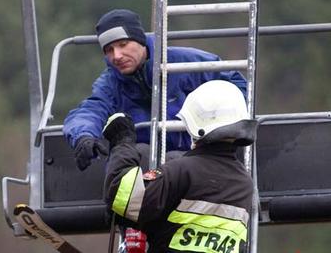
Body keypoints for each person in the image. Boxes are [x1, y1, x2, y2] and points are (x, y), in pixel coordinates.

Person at [64, 9, 247, 170]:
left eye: (123, 45)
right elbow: (91, 110)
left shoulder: (186, 62)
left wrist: (222, 132)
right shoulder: (110, 83)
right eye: (109, 50)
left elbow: (236, 86)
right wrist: (84, 136)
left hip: (200, 154)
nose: (117, 56)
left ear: (141, 41)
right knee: (137, 155)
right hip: (147, 164)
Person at [102, 80, 257, 253]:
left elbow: (124, 198)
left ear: (194, 124)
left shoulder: (181, 171)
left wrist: (122, 140)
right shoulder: (245, 184)